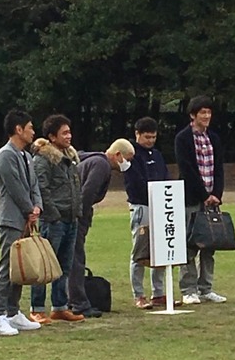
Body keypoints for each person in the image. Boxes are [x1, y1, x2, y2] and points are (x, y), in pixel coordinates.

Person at [67, 139, 135, 317]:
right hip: (76, 216)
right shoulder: (101, 165)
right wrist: (82, 215)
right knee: (76, 257)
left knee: (71, 257)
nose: (128, 164)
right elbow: (87, 193)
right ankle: (78, 302)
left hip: (71, 213)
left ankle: (70, 300)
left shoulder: (92, 159)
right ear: (118, 155)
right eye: (128, 159)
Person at [0, 109, 43, 336]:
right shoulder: (5, 155)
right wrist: (28, 208)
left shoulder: (26, 156)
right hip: (10, 219)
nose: (33, 132)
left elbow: (33, 186)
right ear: (18, 129)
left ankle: (13, 312)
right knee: (7, 266)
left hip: (24, 218)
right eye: (30, 127)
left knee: (20, 268)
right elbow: (15, 188)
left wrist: (37, 206)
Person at [30, 114, 83, 324]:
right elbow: (42, 188)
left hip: (71, 218)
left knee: (64, 265)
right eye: (64, 132)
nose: (69, 136)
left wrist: (76, 212)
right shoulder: (43, 159)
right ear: (52, 137)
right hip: (54, 221)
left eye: (69, 132)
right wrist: (53, 215)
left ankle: (59, 306)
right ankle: (37, 308)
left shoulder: (69, 158)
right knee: (44, 266)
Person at [174, 95, 227, 305]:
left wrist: (216, 194)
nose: (206, 116)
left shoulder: (213, 138)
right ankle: (188, 289)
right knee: (189, 244)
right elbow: (187, 169)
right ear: (193, 115)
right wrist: (204, 195)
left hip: (211, 200)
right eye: (202, 112)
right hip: (190, 198)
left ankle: (206, 288)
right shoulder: (183, 138)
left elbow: (219, 169)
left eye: (209, 112)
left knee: (210, 244)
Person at [123, 117, 170, 309]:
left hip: (160, 205)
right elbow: (134, 183)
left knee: (160, 250)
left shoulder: (157, 155)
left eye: (153, 137)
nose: (150, 140)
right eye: (147, 137)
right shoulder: (131, 156)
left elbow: (165, 176)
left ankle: (158, 293)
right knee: (140, 251)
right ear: (137, 134)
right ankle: (139, 294)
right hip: (142, 206)